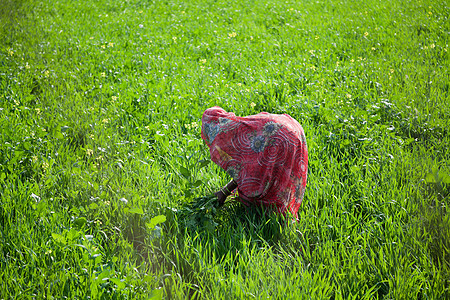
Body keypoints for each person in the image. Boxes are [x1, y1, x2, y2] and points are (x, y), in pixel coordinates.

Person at [201, 106, 308, 218]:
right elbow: (245, 169)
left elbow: (251, 175)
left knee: (260, 187)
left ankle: (270, 216)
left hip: (280, 137)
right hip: (293, 129)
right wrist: (225, 191)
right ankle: (281, 210)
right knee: (280, 176)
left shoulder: (231, 136)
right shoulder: (241, 123)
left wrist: (225, 192)